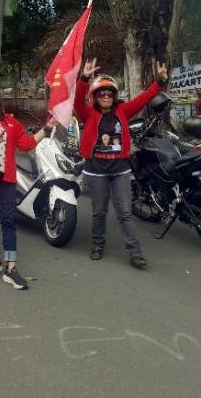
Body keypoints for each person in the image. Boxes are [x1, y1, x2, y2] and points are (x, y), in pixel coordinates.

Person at [74, 58, 169, 269]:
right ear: (96, 97)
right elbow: (77, 100)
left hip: (120, 170)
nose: (106, 97)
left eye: (109, 94)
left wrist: (159, 82)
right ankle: (97, 246)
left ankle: (135, 253)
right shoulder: (88, 114)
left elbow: (145, 98)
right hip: (96, 171)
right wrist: (84, 78)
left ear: (114, 96)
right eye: (101, 94)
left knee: (125, 212)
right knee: (99, 212)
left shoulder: (123, 111)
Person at [0, 83, 54, 290]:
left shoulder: (11, 122)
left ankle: (11, 267)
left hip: (6, 178)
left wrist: (46, 129)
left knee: (8, 219)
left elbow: (26, 143)